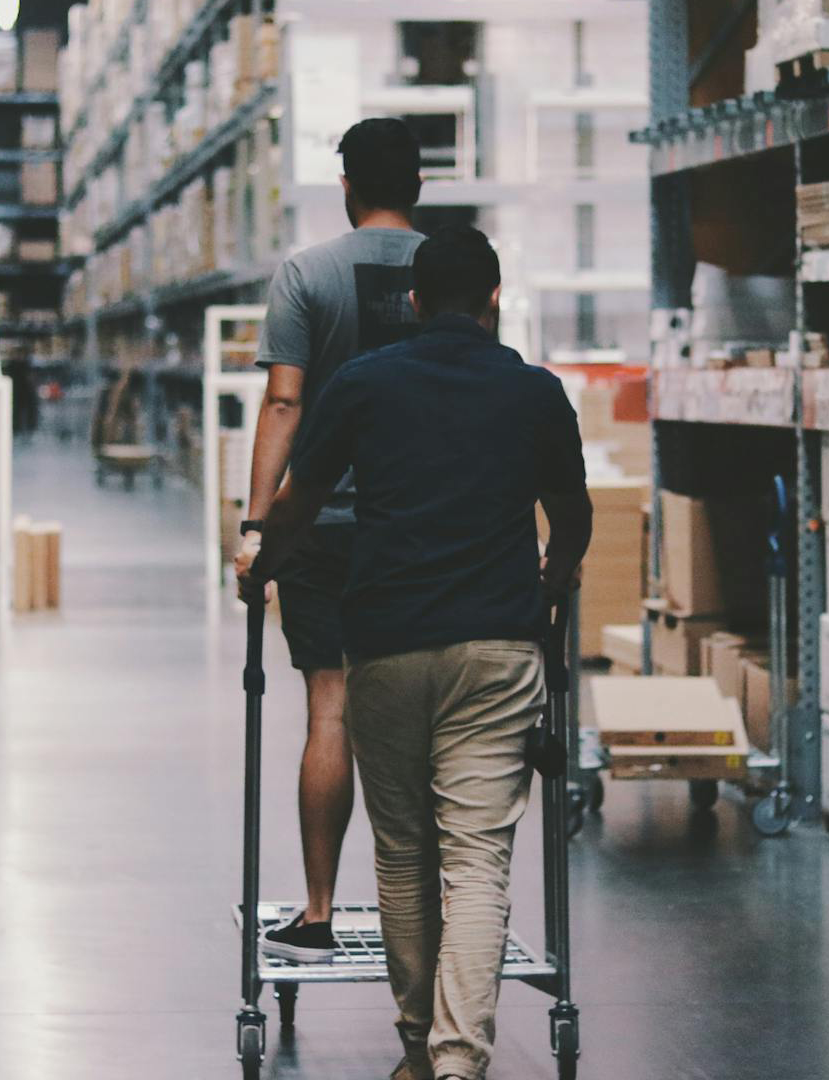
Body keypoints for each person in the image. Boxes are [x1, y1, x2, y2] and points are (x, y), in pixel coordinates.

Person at [238, 225, 593, 1080]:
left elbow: (299, 501)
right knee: (478, 861)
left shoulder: (362, 385)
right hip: (499, 648)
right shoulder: (536, 391)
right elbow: (573, 514)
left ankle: (413, 1051)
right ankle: (458, 1061)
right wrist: (552, 579)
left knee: (403, 858)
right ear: (495, 299)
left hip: (387, 644)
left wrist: (261, 562)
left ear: (414, 303)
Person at [242, 118, 427, 963]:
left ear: (346, 185)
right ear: (418, 185)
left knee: (331, 709)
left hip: (324, 527)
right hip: (423, 526)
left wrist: (256, 525)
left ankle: (318, 916)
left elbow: (284, 403)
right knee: (423, 715)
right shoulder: (453, 272)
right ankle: (423, 915)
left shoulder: (307, 274)